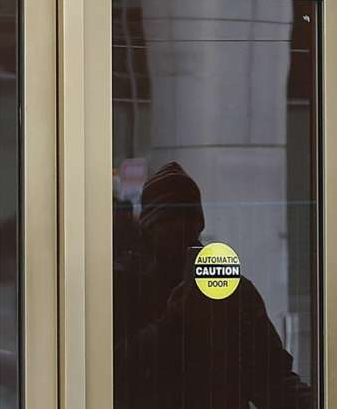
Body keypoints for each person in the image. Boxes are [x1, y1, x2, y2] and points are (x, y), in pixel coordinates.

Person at [114, 161, 312, 409]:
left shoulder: (228, 288)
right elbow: (114, 373)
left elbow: (270, 377)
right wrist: (174, 322)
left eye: (188, 219)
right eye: (170, 220)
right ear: (150, 229)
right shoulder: (127, 287)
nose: (182, 229)